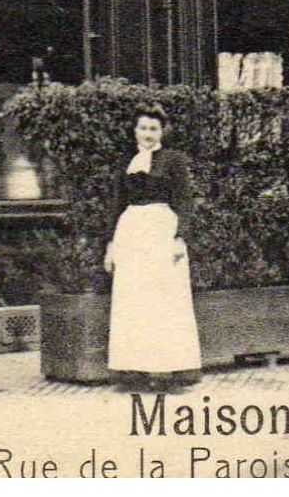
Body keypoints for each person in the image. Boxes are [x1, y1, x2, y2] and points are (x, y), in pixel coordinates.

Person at [103, 105, 201, 389]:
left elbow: (185, 201)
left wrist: (179, 237)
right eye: (143, 128)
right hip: (131, 231)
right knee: (133, 300)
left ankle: (169, 371)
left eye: (154, 129)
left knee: (165, 300)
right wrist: (110, 244)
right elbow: (116, 203)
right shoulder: (126, 162)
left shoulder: (173, 160)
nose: (148, 134)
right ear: (135, 131)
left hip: (161, 230)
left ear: (162, 132)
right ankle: (136, 371)